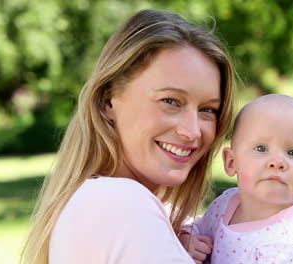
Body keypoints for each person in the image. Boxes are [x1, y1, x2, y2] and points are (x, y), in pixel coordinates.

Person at [22, 9, 235, 264]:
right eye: (170, 101)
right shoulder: (119, 203)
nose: (192, 132)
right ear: (107, 101)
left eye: (207, 110)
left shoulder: (143, 213)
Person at [179, 94, 293, 264]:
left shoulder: (287, 248)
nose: (277, 162)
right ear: (231, 162)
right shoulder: (227, 202)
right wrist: (187, 239)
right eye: (261, 148)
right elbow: (200, 227)